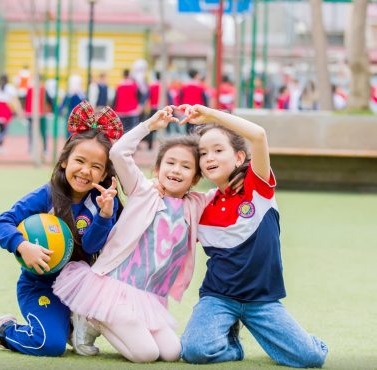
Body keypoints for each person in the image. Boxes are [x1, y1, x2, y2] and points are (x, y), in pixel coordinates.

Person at [53, 106, 215, 363]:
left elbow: (226, 185)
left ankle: (112, 322)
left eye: (186, 167)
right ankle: (92, 317)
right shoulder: (143, 190)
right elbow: (119, 152)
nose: (176, 170)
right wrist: (149, 125)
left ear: (196, 178)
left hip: (150, 297)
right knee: (146, 354)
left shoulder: (195, 204)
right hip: (114, 288)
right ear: (157, 168)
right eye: (170, 163)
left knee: (172, 353)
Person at [0, 101, 123, 357]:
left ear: (105, 174)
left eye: (96, 167)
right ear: (63, 162)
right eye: (79, 161)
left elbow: (92, 246)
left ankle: (70, 324)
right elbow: (1, 223)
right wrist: (22, 246)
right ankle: (3, 329)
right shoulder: (47, 195)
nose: (85, 171)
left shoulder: (103, 203)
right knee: (48, 344)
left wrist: (105, 215)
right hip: (41, 286)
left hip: (80, 289)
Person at [176, 104, 328, 368]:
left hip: (262, 301)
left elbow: (258, 135)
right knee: (194, 351)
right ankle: (232, 344)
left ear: (238, 158)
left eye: (218, 150)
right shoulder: (201, 204)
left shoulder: (257, 187)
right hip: (218, 297)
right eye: (203, 153)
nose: (209, 157)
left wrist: (211, 115)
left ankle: (290, 339)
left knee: (311, 358)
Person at [0, 74, 23, 155]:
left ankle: (0, 147)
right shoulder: (9, 88)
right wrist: (19, 112)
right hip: (4, 109)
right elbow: (15, 101)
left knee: (1, 129)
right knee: (4, 130)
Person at [25, 78, 52, 156]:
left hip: (38, 114)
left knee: (38, 132)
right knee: (36, 132)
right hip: (34, 114)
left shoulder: (41, 89)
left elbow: (49, 100)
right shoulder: (38, 89)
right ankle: (39, 148)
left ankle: (41, 148)